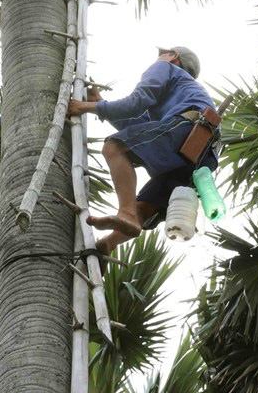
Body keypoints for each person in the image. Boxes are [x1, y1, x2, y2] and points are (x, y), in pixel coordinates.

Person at [67, 45, 219, 263]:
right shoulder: (181, 96)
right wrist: (98, 102)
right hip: (202, 155)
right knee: (146, 206)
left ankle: (126, 214)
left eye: (162, 55)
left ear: (173, 57)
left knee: (115, 147)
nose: (158, 58)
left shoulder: (166, 68)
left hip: (188, 128)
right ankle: (107, 245)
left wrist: (85, 107)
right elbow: (140, 128)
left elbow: (136, 102)